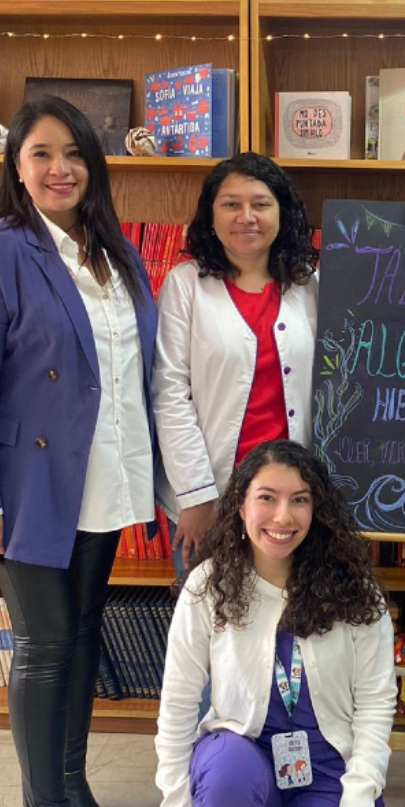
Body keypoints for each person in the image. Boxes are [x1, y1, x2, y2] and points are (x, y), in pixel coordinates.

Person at [0, 95, 158, 807]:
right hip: (28, 489)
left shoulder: (115, 251)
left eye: (73, 153)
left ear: (93, 165)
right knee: (45, 646)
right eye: (41, 153)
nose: (59, 167)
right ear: (17, 167)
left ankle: (71, 779)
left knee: (84, 633)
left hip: (102, 478)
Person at [155, 439, 396, 807]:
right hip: (244, 755)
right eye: (267, 498)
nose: (282, 517)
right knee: (227, 772)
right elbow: (177, 711)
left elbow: (376, 707)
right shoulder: (208, 587)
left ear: (318, 510)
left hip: (326, 768)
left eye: (300, 501)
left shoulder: (355, 592)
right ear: (240, 505)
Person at [153, 153, 318, 580]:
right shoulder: (185, 285)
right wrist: (195, 496)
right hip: (211, 496)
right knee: (211, 628)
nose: (246, 217)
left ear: (283, 212)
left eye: (261, 204)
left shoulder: (311, 287)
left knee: (288, 628)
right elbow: (169, 393)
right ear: (210, 215)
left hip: (291, 502)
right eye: (231, 204)